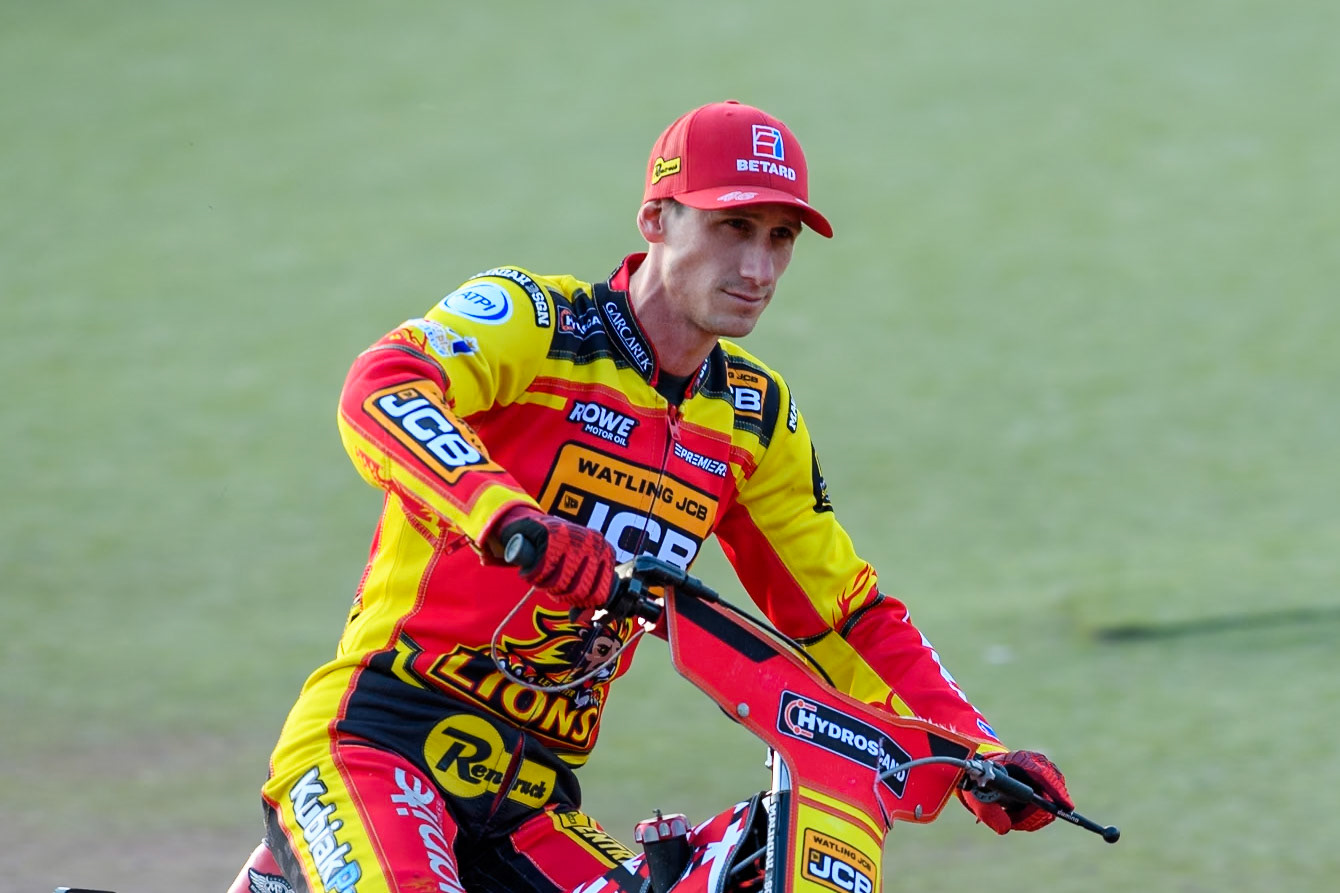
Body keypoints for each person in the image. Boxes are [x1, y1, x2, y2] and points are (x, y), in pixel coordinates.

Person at [228, 99, 1072, 893]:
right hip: (373, 746)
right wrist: (508, 516)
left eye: (780, 238)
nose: (758, 267)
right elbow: (383, 385)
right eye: (732, 226)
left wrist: (977, 752)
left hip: (530, 805)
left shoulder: (755, 417)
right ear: (656, 220)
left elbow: (843, 613)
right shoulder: (537, 320)